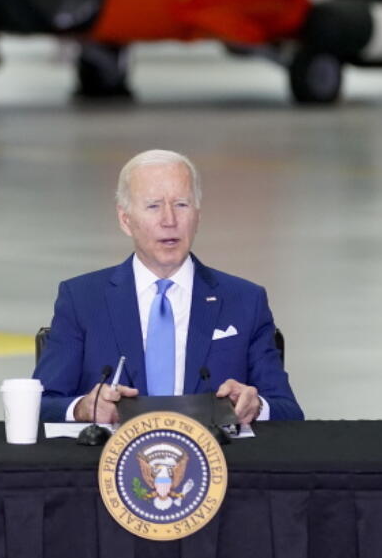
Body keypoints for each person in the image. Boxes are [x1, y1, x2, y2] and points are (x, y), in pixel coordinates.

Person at [33, 149, 304, 424]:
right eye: (153, 206)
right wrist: (82, 408)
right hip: (109, 463)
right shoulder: (82, 299)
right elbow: (40, 405)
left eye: (181, 205)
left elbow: (289, 411)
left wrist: (256, 406)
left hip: (217, 461)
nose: (169, 220)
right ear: (125, 219)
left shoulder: (245, 300)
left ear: (198, 215)